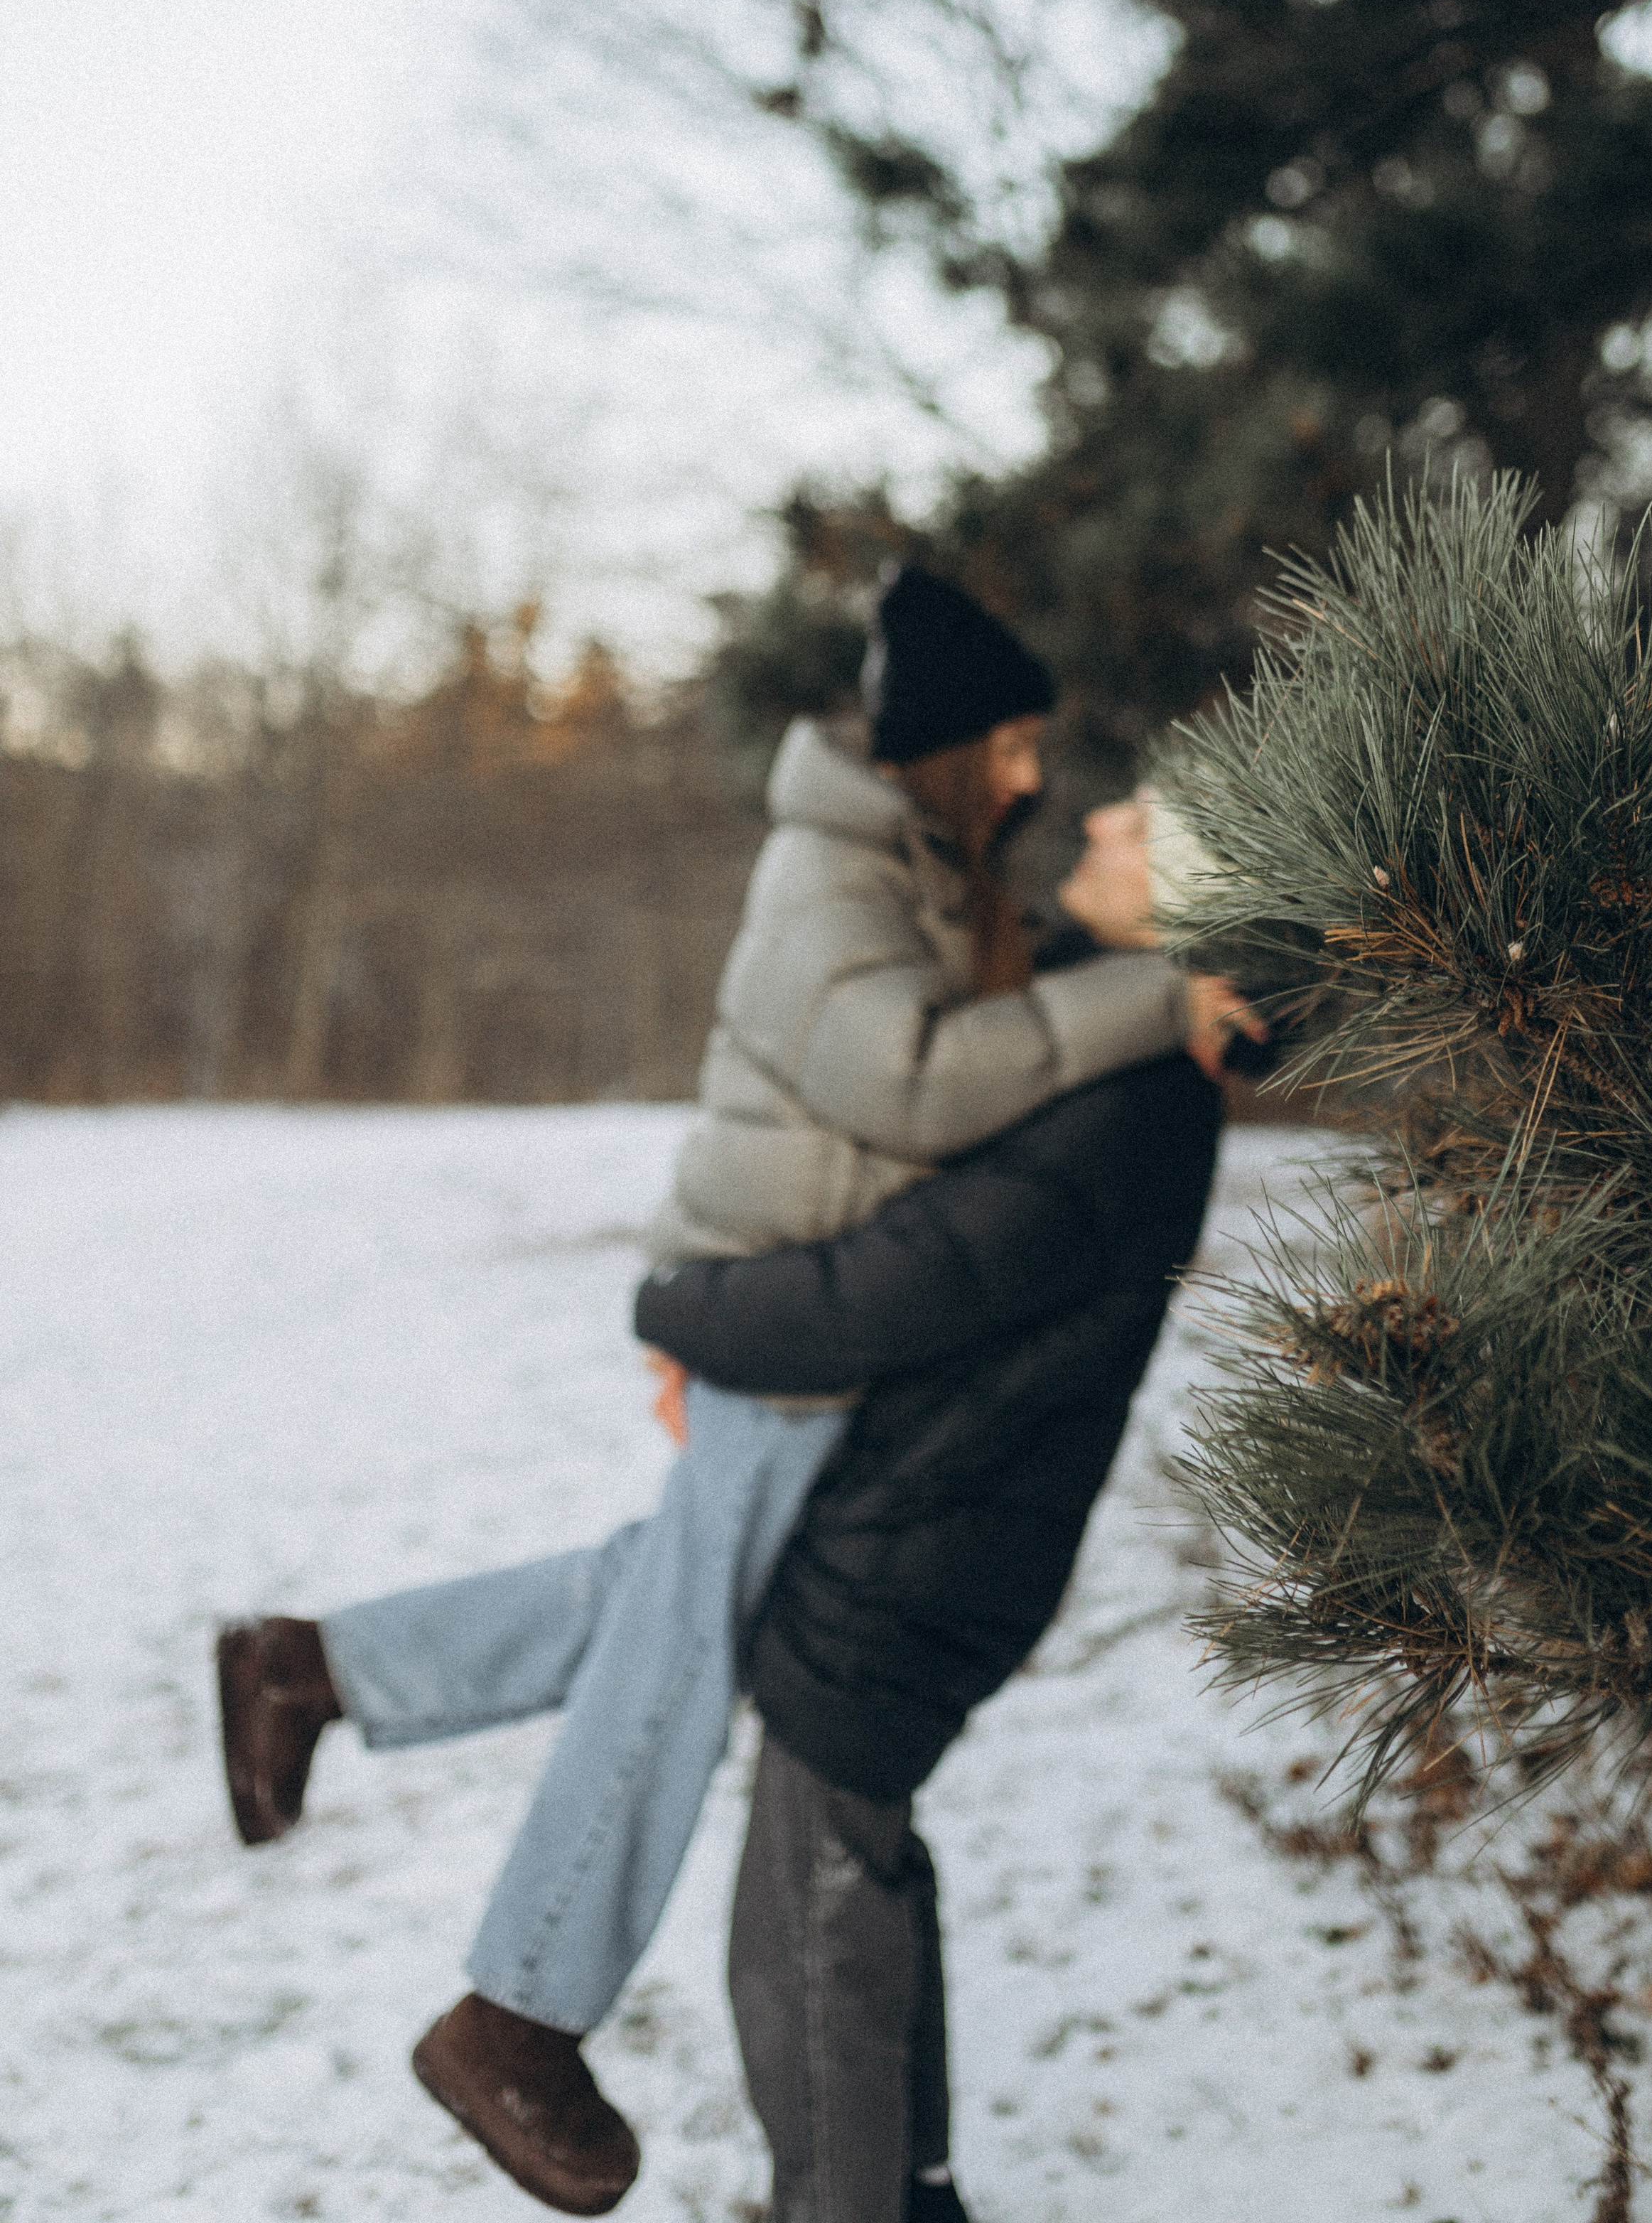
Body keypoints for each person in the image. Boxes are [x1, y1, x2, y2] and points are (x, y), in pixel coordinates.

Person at [215, 569, 1251, 2218]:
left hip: (795, 1339)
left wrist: (1186, 1002)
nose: (1049, 787)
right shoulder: (850, 870)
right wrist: (692, 1308)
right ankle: (518, 2015)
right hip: (772, 1319)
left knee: (652, 1599)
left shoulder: (936, 886)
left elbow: (967, 1156)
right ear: (941, 748)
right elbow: (905, 1085)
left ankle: (316, 1674)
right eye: (1012, 745)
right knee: (675, 1634)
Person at [637, 792, 1237, 2223]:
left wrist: (673, 1303)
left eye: (1143, 828)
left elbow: (891, 1290)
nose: (1096, 814)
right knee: (849, 1884)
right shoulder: (1102, 1051)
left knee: (805, 1942)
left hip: (920, 1550)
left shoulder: (1130, 1104)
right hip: (932, 1526)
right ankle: (911, 2195)